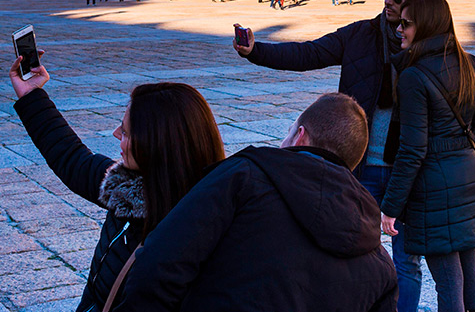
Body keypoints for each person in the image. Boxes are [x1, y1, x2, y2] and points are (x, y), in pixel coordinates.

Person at [233, 0, 436, 312]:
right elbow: (310, 52)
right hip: (363, 169)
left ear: (420, 1)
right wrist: (257, 51)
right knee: (355, 256)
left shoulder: (434, 47)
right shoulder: (360, 35)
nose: (387, 1)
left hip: (410, 172)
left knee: (408, 262)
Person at [117, 93, 398, 312]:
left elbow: (157, 266)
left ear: (300, 136)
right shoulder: (380, 266)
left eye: (288, 132)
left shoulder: (244, 177)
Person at [9, 55, 225, 312]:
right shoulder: (130, 186)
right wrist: (32, 96)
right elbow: (72, 159)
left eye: (125, 132)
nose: (115, 135)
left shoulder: (193, 238)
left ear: (153, 146)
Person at [381, 0, 475, 312]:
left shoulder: (414, 76)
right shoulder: (470, 62)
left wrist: (390, 207)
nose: (399, 29)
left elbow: (413, 148)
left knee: (448, 281)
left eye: (406, 23)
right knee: (470, 272)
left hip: (435, 188)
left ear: (426, 25)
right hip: (470, 175)